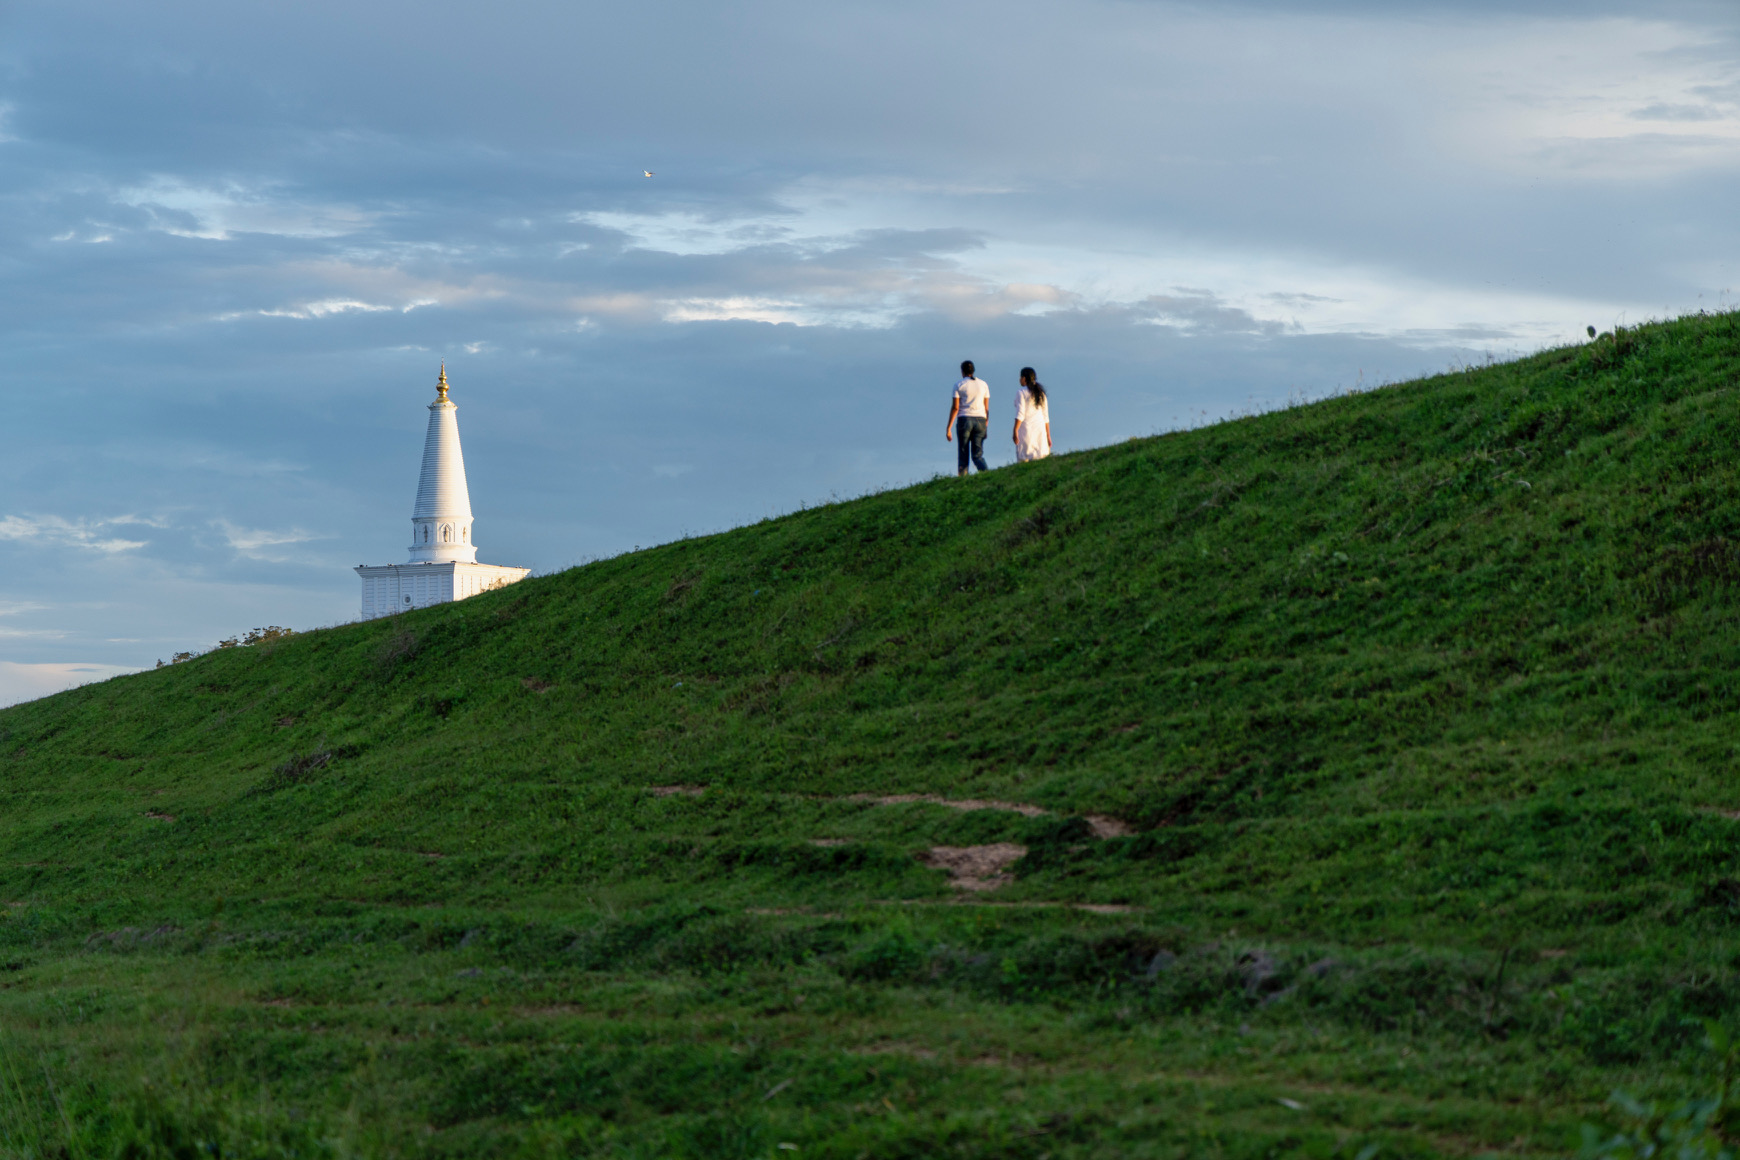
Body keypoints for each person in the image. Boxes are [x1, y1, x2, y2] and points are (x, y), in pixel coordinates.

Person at [945, 359, 990, 476]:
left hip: (964, 419)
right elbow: (986, 408)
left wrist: (948, 427)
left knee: (963, 453)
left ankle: (962, 480)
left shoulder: (959, 385)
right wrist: (986, 425)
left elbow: (955, 407)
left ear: (962, 371)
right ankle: (987, 474)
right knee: (977, 455)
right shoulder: (983, 384)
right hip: (980, 419)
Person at [1012, 367, 1051, 462]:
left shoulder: (1021, 392)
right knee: (1040, 459)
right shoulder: (1041, 393)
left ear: (1024, 378)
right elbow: (1046, 417)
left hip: (1026, 430)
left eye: (1020, 377)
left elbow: (1020, 414)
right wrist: (1048, 435)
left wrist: (1015, 430)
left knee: (1024, 458)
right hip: (1040, 430)